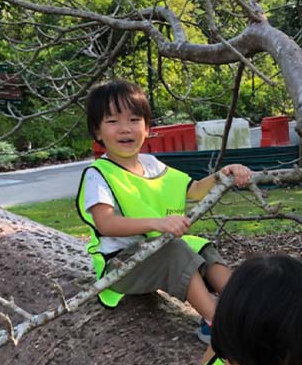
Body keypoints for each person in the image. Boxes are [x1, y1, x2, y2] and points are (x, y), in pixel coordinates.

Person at [76, 80, 251, 343]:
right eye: (112, 121)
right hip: (121, 266)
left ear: (147, 127)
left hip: (155, 250)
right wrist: (158, 223)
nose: (125, 129)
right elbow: (106, 224)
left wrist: (223, 175)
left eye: (134, 119)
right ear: (97, 132)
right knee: (176, 250)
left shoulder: (152, 165)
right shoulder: (98, 175)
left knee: (202, 247)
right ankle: (217, 323)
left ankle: (246, 308)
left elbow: (194, 190)